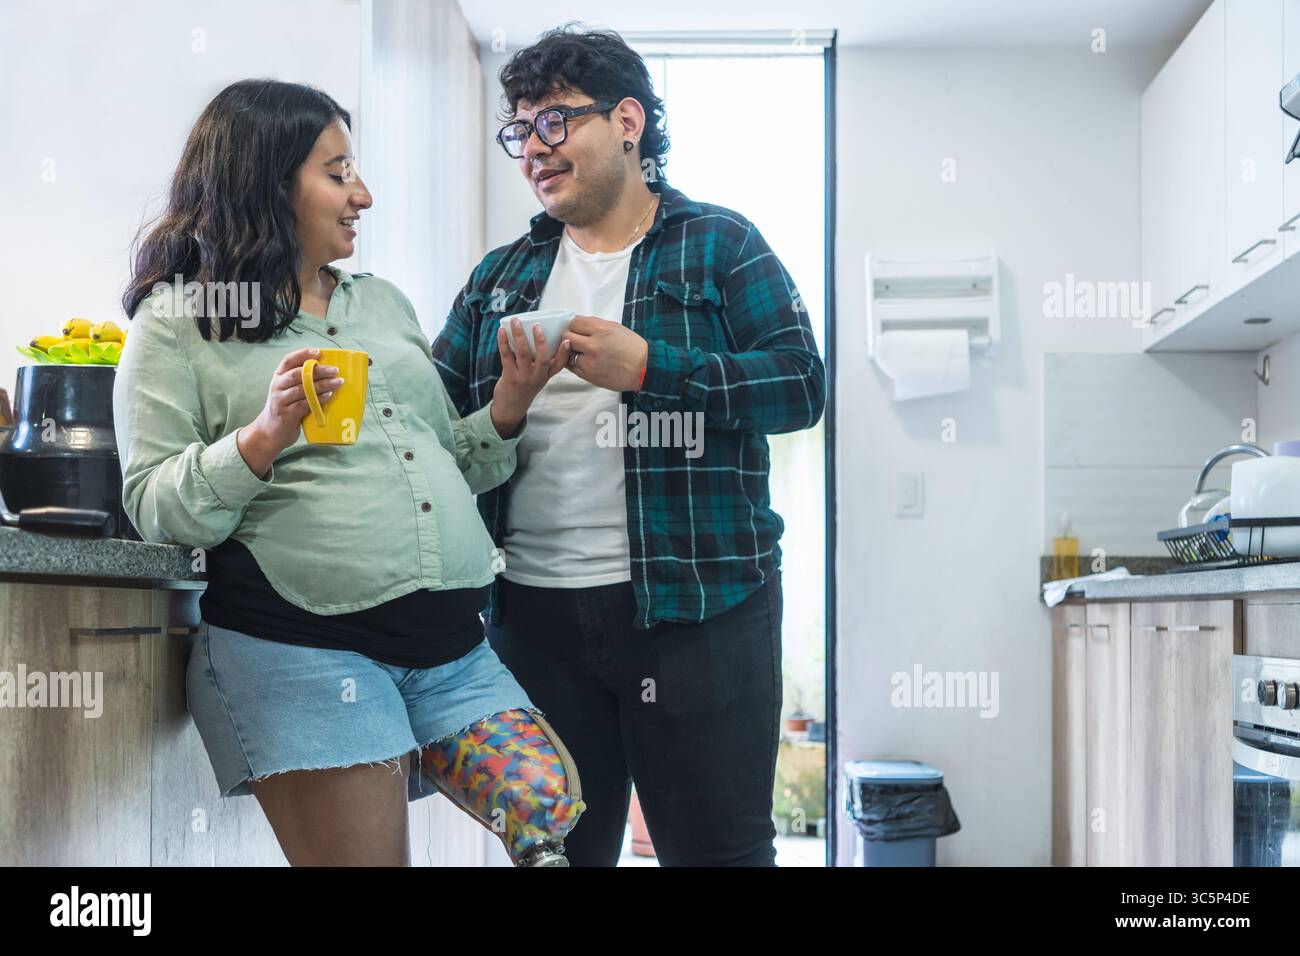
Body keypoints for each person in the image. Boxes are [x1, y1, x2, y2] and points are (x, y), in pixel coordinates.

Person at [113, 79, 584, 866]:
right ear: (266, 184)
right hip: (301, 653)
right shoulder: (177, 322)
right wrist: (264, 435)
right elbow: (156, 507)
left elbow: (448, 462)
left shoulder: (383, 305)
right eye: (337, 173)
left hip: (451, 655)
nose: (360, 193)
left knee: (550, 813)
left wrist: (508, 406)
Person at [432, 26, 826, 866]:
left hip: (702, 612)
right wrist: (506, 404)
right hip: (532, 618)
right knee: (559, 855)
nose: (534, 150)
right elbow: (432, 432)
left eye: (554, 123)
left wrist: (652, 366)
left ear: (627, 121)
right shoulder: (498, 278)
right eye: (519, 131)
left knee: (719, 852)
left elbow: (800, 386)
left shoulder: (722, 245)